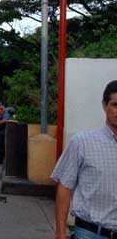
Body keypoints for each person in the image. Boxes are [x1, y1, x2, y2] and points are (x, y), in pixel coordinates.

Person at [51, 80, 117, 239]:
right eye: (115, 105)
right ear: (104, 105)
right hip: (90, 233)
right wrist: (60, 234)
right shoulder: (82, 142)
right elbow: (64, 187)